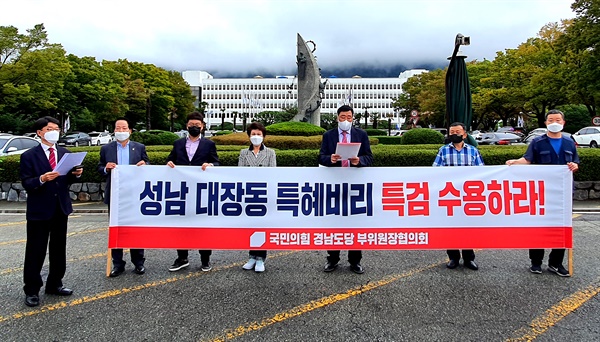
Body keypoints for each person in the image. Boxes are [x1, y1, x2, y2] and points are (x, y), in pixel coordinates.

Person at [506, 109, 579, 277]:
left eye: (558, 119)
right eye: (551, 119)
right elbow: (528, 160)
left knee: (561, 227)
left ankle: (556, 263)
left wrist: (575, 166)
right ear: (546, 123)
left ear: (563, 123)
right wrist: (515, 162)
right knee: (539, 227)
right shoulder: (537, 142)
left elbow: (575, 162)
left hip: (562, 194)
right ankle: (536, 262)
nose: (555, 122)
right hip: (541, 193)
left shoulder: (569, 143)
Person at [20, 116, 84, 307]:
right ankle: (31, 290)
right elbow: (27, 182)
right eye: (50, 129)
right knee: (35, 251)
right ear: (40, 132)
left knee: (58, 249)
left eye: (56, 128)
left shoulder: (64, 152)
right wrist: (41, 178)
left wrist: (76, 175)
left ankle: (55, 284)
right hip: (39, 210)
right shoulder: (29, 156)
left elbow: (66, 181)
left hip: (60, 208)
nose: (54, 131)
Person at [318, 105, 373, 274]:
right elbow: (321, 156)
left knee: (355, 223)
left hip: (355, 184)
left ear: (353, 118)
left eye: (349, 117)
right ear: (337, 118)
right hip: (334, 183)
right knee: (334, 223)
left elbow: (369, 157)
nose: (346, 120)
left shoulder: (361, 135)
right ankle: (332, 259)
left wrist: (359, 161)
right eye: (343, 117)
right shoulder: (329, 135)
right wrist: (331, 159)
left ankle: (355, 261)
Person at [167, 112, 220, 272]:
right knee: (181, 226)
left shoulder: (209, 144)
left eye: (197, 125)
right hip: (181, 192)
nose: (194, 127)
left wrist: (211, 165)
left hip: (201, 192)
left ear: (202, 126)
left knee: (203, 225)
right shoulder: (177, 144)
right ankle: (182, 258)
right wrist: (169, 163)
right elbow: (170, 160)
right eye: (191, 125)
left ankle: (205, 259)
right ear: (186, 126)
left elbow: (216, 162)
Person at [98, 117, 149, 277]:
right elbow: (99, 167)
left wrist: (144, 165)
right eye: (117, 128)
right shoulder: (107, 149)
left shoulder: (139, 147)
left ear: (130, 131)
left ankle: (139, 262)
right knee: (116, 229)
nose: (120, 131)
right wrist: (105, 168)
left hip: (135, 194)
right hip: (115, 195)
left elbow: (147, 163)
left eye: (123, 128)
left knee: (135, 229)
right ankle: (118, 264)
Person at [432, 122, 484, 271]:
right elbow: (435, 170)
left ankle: (469, 258)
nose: (454, 134)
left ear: (465, 134)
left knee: (468, 227)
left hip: (469, 196)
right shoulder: (443, 151)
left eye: (457, 131)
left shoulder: (473, 151)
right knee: (450, 227)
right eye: (452, 132)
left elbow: (481, 172)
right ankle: (453, 257)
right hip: (450, 195)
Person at [238, 122, 277, 273]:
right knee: (250, 226)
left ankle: (261, 258)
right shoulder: (243, 153)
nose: (256, 137)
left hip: (264, 194)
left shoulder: (270, 153)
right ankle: (252, 256)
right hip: (248, 194)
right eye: (253, 134)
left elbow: (272, 173)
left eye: (259, 134)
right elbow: (240, 173)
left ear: (263, 137)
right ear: (249, 136)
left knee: (262, 226)